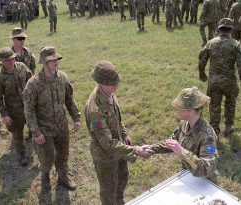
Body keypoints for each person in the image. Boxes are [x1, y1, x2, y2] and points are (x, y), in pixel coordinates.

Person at [85, 61, 154, 205]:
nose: (117, 85)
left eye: (116, 81)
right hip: (105, 156)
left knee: (123, 176)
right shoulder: (95, 110)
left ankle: (119, 199)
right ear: (101, 82)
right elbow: (107, 144)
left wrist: (124, 134)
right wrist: (136, 150)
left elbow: (117, 118)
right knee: (108, 188)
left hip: (120, 146)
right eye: (112, 83)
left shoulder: (110, 93)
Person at [23, 46, 81, 202]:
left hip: (62, 126)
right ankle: (45, 176)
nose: (56, 62)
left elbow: (69, 99)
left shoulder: (62, 77)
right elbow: (29, 111)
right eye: (52, 60)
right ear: (44, 62)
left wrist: (76, 118)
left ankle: (63, 177)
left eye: (57, 59)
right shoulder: (33, 83)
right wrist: (35, 132)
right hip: (44, 130)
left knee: (63, 155)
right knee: (47, 158)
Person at [150, 86, 219, 184]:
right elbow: (172, 143)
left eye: (180, 108)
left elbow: (207, 169)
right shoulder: (184, 123)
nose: (177, 110)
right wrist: (151, 149)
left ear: (190, 110)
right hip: (188, 176)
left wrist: (181, 151)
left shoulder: (208, 136)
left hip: (204, 183)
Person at [198, 18, 241, 136]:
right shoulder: (235, 44)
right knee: (230, 103)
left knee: (214, 104)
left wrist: (202, 75)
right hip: (229, 81)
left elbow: (202, 61)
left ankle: (214, 129)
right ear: (230, 30)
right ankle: (229, 125)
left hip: (214, 81)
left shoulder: (210, 43)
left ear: (219, 29)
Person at [0, 47, 33, 166]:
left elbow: (31, 81)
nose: (11, 62)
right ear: (2, 62)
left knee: (34, 126)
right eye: (7, 60)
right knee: (17, 133)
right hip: (14, 111)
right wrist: (4, 115)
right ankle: (22, 155)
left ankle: (33, 138)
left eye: (12, 59)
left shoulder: (22, 67)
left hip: (28, 105)